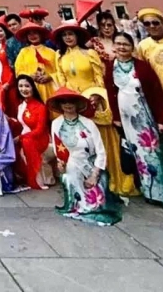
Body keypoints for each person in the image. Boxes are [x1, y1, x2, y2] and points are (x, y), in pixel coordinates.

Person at [104, 32, 163, 213]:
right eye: (118, 44)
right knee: (140, 158)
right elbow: (111, 94)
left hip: (145, 117)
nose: (121, 47)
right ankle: (151, 193)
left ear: (132, 47)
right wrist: (116, 118)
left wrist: (162, 120)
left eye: (125, 44)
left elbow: (157, 94)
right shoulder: (111, 67)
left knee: (156, 156)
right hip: (127, 120)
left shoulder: (142, 67)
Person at [49, 88, 122, 226]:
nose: (67, 105)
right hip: (71, 164)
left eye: (71, 101)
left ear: (77, 104)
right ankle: (77, 205)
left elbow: (101, 151)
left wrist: (94, 175)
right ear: (59, 105)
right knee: (68, 178)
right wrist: (61, 165)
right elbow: (59, 151)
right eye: (63, 102)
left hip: (91, 164)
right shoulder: (56, 124)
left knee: (97, 200)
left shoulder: (88, 124)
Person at [83, 86, 136, 199]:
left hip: (101, 99)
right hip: (84, 101)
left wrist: (97, 93)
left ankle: (117, 182)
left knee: (113, 151)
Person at [4, 75, 53, 190]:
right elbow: (21, 124)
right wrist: (9, 120)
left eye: (27, 86)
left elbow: (40, 130)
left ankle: (36, 180)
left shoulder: (40, 107)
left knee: (27, 142)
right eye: (20, 86)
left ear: (33, 88)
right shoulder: (21, 105)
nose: (23, 89)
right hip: (26, 138)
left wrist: (20, 137)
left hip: (39, 139)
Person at [13, 24, 60, 102]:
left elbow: (60, 71)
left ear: (40, 35)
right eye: (29, 34)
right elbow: (18, 71)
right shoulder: (23, 52)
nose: (32, 36)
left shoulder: (51, 52)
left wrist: (50, 76)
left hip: (50, 87)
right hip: (32, 89)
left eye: (35, 33)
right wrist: (30, 76)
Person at [55, 22, 103, 93]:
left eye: (70, 34)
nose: (67, 37)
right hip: (71, 96)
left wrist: (97, 94)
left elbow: (99, 76)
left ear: (77, 36)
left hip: (91, 93)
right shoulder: (59, 55)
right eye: (64, 35)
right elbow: (61, 76)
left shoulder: (90, 53)